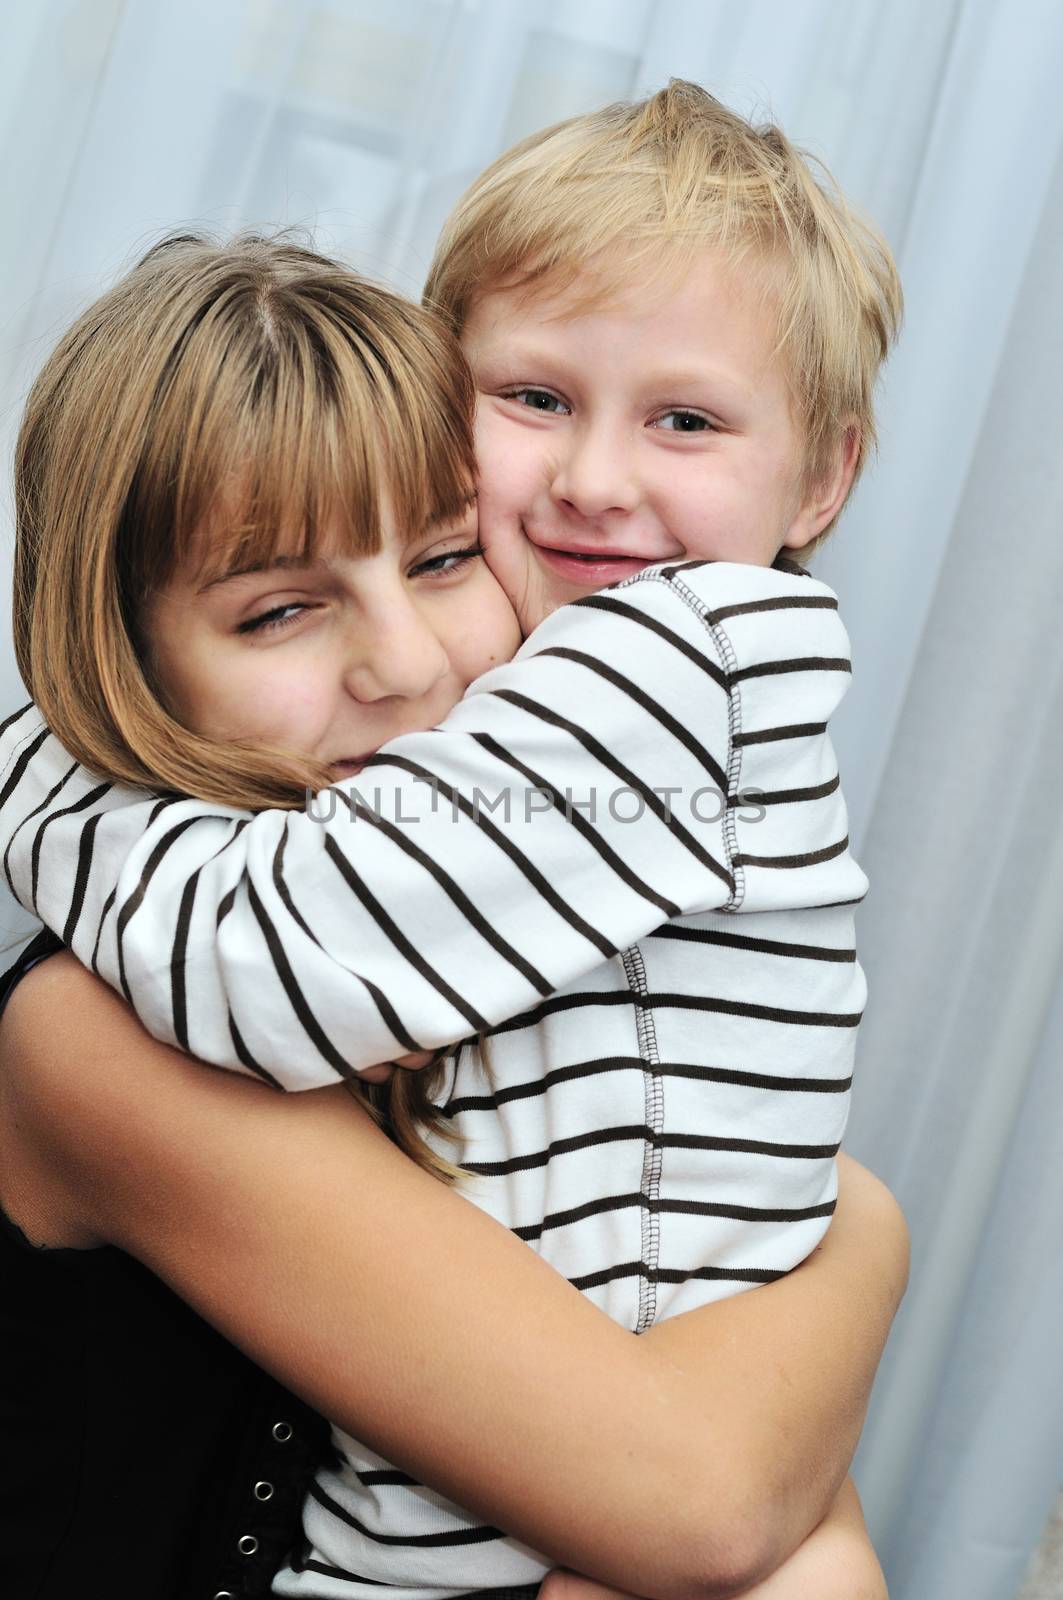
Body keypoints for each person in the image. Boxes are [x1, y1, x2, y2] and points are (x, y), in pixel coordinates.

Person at [0, 84, 902, 1597]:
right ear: (125, 655)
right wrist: (865, 1242)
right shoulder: (107, 1034)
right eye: (279, 609)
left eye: (439, 557)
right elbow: (700, 1502)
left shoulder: (472, 902)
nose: (406, 664)